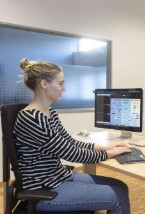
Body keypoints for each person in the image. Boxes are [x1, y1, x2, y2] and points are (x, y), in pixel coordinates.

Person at [13, 58, 131, 214]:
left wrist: (108, 147)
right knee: (118, 196)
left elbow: (69, 143)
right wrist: (109, 154)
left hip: (59, 176)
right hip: (45, 190)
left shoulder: (49, 113)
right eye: (61, 83)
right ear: (44, 84)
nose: (64, 88)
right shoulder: (32, 117)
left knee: (121, 186)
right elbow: (71, 153)